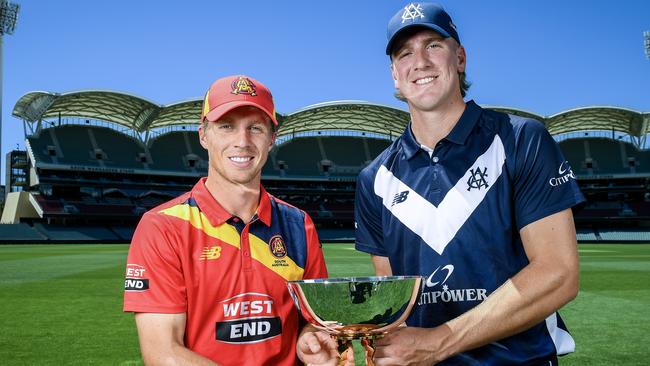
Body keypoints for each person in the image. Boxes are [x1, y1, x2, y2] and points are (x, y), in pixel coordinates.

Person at [354, 3, 585, 365]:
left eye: (433, 46)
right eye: (405, 53)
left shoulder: (521, 140)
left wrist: (440, 341)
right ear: (395, 75)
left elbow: (558, 273)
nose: (420, 62)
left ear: (459, 58)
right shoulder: (374, 179)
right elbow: (394, 299)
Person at [123, 75, 347, 365]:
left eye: (255, 128)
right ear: (203, 135)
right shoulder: (163, 226)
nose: (242, 142)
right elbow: (163, 353)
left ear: (272, 138)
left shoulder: (299, 224)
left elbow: (315, 320)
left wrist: (309, 339)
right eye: (226, 126)